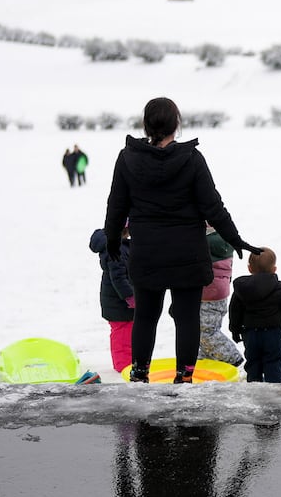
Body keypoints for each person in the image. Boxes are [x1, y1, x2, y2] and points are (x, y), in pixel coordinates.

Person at [103, 97, 258, 384]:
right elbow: (213, 206)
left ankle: (139, 373)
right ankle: (185, 376)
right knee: (186, 318)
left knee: (146, 317)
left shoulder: (127, 158)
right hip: (187, 253)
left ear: (147, 125)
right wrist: (235, 239)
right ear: (177, 124)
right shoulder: (192, 159)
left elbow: (116, 205)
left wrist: (112, 238)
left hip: (147, 252)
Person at [230, 248, 281, 383]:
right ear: (274, 269)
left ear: (249, 268)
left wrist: (235, 329)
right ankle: (274, 393)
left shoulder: (242, 290)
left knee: (253, 364)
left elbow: (235, 311)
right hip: (273, 333)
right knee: (274, 363)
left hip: (251, 334)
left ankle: (255, 391)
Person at [89, 223, 135, 374]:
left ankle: (128, 361)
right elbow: (118, 278)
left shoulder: (120, 246)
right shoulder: (117, 249)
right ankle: (123, 365)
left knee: (127, 332)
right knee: (122, 334)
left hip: (117, 300)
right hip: (118, 302)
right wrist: (129, 296)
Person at [198, 225, 243, 367]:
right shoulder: (225, 238)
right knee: (206, 328)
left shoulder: (205, 241)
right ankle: (205, 360)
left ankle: (232, 357)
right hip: (220, 291)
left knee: (207, 332)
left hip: (208, 292)